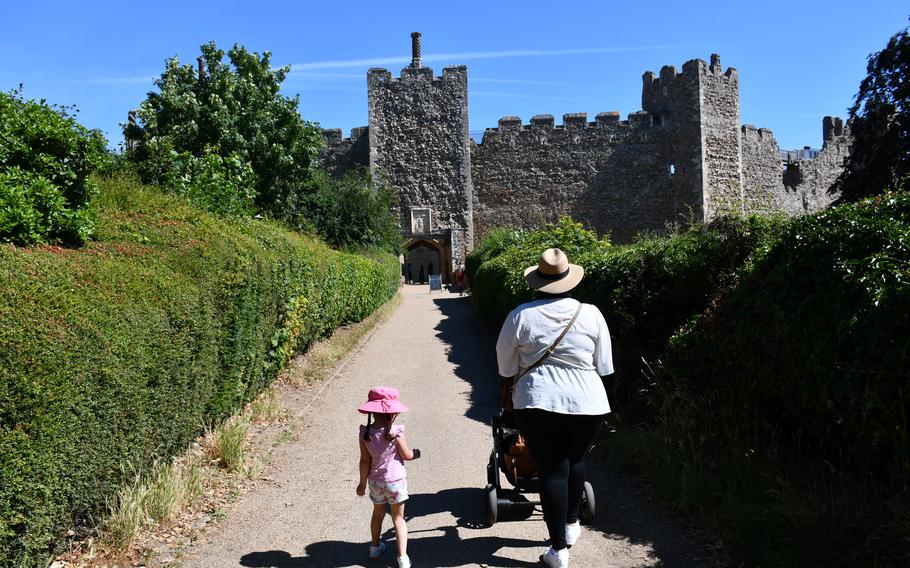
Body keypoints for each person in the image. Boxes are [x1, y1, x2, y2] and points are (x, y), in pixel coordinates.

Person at [495, 248, 613, 568]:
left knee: (552, 469)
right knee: (577, 460)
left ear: (538, 281)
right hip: (589, 400)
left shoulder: (520, 315)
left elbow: (505, 366)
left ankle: (558, 549)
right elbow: (604, 365)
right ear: (569, 279)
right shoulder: (591, 313)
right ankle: (572, 525)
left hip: (538, 401)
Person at [356, 387, 421, 568]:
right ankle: (402, 558)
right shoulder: (396, 432)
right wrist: (416, 453)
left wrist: (362, 484)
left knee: (377, 515)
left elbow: (364, 461)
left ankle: (375, 548)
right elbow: (407, 455)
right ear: (392, 412)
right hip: (395, 483)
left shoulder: (365, 433)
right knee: (398, 519)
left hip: (375, 482)